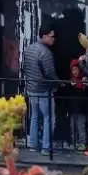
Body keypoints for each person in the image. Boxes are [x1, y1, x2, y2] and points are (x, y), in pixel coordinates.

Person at [22, 23, 59, 155]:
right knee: (48, 118)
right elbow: (50, 73)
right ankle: (46, 148)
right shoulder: (46, 52)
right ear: (44, 36)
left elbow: (24, 68)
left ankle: (32, 144)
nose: (54, 39)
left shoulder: (28, 49)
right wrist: (59, 83)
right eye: (52, 36)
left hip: (31, 88)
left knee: (34, 116)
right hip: (43, 89)